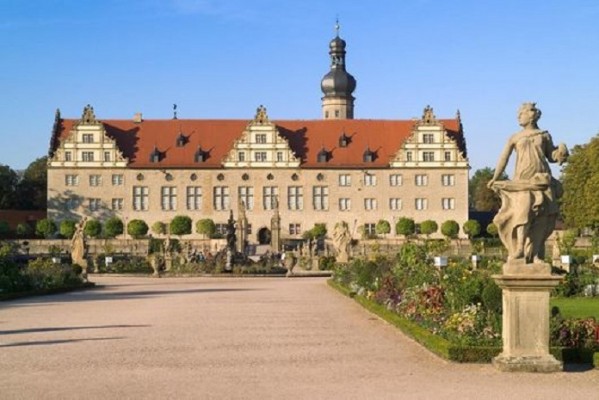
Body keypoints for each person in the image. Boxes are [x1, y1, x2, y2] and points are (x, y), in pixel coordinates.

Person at [488, 102, 568, 264]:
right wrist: (495, 177)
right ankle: (519, 249)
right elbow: (504, 158)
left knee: (543, 217)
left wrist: (560, 152)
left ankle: (536, 254)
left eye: (521, 113)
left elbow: (551, 156)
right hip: (522, 182)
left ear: (531, 115)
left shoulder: (544, 135)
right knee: (522, 213)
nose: (519, 116)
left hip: (542, 179)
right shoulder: (515, 137)